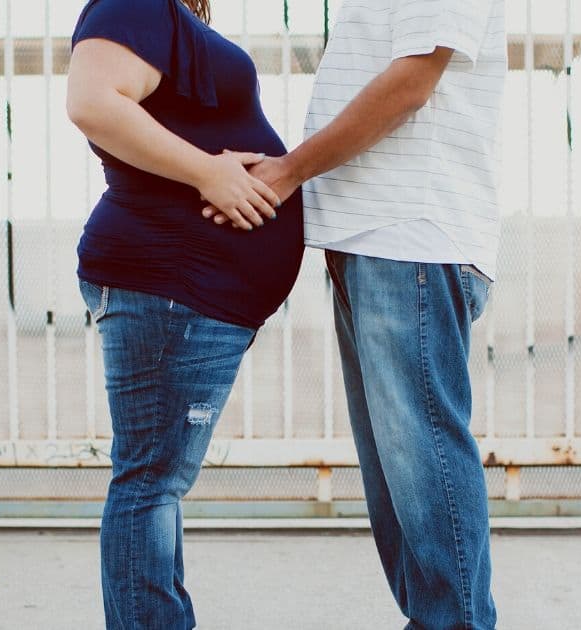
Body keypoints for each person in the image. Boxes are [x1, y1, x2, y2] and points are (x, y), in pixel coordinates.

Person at [205, 1, 506, 627]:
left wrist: (287, 172)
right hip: (374, 242)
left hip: (408, 240)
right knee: (398, 486)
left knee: (423, 466)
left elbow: (410, 85)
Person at [65, 0, 304, 627]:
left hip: (184, 292)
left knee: (154, 485)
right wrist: (207, 174)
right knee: (149, 485)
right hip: (169, 286)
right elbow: (92, 101)